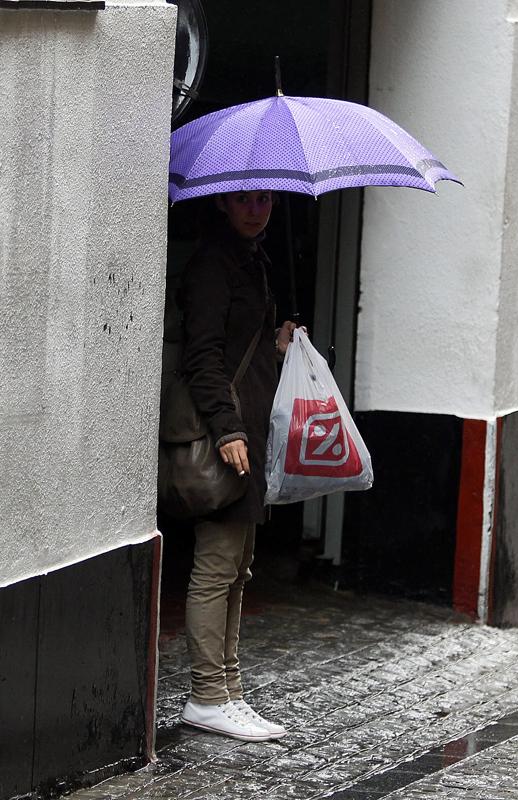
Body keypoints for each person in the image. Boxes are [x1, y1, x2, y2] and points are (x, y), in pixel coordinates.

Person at [176, 189, 298, 742]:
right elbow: (200, 356)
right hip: (226, 431)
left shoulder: (255, 260)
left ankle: (230, 691)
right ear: (223, 204)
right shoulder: (212, 264)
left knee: (240, 567)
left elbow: (237, 348)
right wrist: (226, 428)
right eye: (244, 200)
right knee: (216, 567)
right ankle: (206, 694)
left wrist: (276, 344)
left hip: (251, 423)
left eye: (265, 200)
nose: (256, 209)